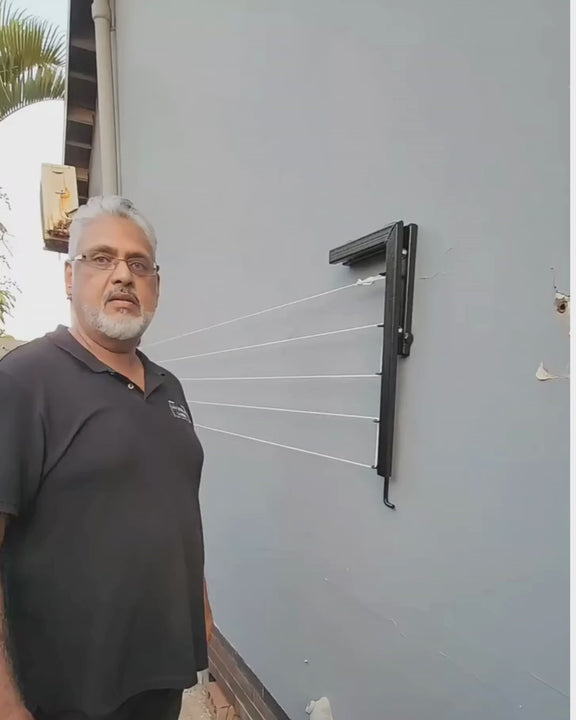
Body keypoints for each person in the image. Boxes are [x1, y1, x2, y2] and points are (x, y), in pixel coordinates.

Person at [0, 196, 213, 720]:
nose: (123, 275)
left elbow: (176, 501)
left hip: (161, 677)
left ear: (156, 286)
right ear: (70, 277)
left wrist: (201, 605)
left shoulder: (169, 388)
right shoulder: (24, 381)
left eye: (139, 264)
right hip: (67, 694)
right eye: (101, 258)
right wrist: (6, 703)